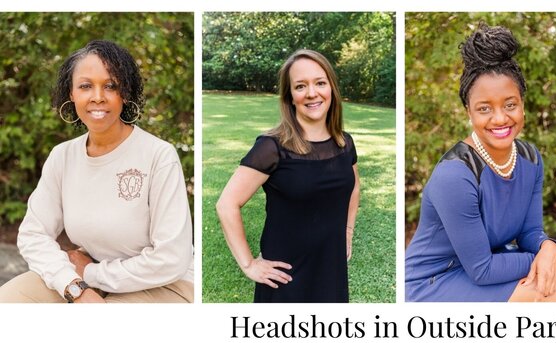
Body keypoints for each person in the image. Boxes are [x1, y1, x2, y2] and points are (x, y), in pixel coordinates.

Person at [405, 24, 556, 302]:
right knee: (547, 291)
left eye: (510, 104)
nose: (499, 119)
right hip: (434, 279)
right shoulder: (455, 176)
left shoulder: (530, 159)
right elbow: (482, 269)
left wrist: (549, 248)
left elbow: (530, 232)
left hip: (486, 266)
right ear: (469, 112)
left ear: (522, 104)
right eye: (485, 108)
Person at [0, 40, 194, 303]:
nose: (98, 96)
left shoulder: (158, 155)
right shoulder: (63, 156)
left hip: (165, 284)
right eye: (85, 86)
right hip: (87, 276)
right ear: (72, 94)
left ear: (125, 93)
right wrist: (72, 285)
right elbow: (33, 234)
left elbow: (171, 259)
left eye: (111, 85)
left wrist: (91, 273)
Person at [216, 49, 359, 303]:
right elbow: (227, 204)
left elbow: (353, 187)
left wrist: (347, 231)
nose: (312, 93)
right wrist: (248, 264)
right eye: (300, 86)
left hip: (331, 268)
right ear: (290, 96)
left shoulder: (344, 143)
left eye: (320, 83)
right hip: (285, 277)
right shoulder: (272, 147)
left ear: (332, 89)